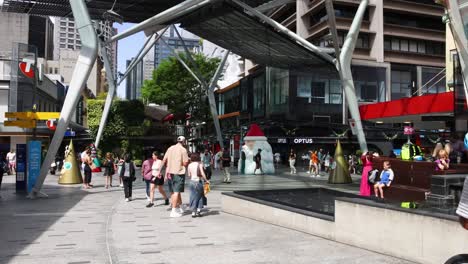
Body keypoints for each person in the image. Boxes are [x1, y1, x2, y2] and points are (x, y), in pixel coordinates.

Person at [163, 136, 189, 218]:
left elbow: (164, 159)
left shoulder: (170, 148)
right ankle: (173, 210)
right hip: (179, 172)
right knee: (176, 192)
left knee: (175, 191)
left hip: (171, 172)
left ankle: (181, 206)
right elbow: (185, 163)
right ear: (184, 141)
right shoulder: (183, 150)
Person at [187, 153, 210, 217]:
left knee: (192, 196)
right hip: (198, 182)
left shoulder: (189, 165)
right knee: (200, 197)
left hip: (191, 182)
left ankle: (193, 212)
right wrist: (206, 180)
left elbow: (189, 175)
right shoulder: (199, 164)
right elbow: (202, 173)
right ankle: (198, 211)